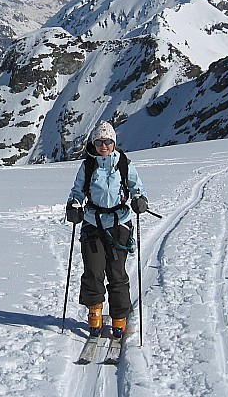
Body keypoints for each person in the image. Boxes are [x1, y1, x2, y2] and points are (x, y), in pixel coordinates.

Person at [65, 120, 148, 339]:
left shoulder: (124, 164)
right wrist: (74, 205)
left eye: (108, 142)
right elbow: (78, 190)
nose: (104, 146)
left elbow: (136, 186)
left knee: (117, 273)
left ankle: (119, 317)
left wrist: (140, 199)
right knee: (93, 271)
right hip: (93, 222)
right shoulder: (88, 165)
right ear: (94, 143)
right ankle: (95, 313)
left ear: (114, 143)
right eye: (100, 142)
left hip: (119, 223)